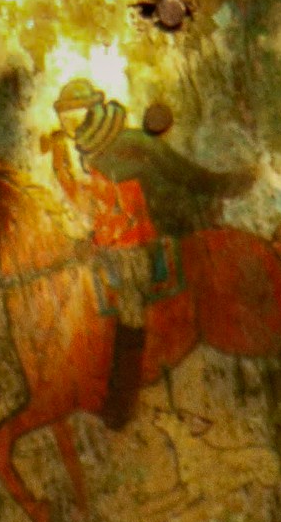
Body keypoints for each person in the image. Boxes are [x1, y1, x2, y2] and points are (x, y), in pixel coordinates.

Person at [44, 78, 251, 429]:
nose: (69, 125)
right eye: (65, 119)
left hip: (141, 239)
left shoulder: (131, 143)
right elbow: (101, 206)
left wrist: (225, 185)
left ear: (91, 112)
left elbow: (176, 179)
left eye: (74, 116)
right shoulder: (90, 152)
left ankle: (122, 402)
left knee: (129, 302)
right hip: (114, 238)